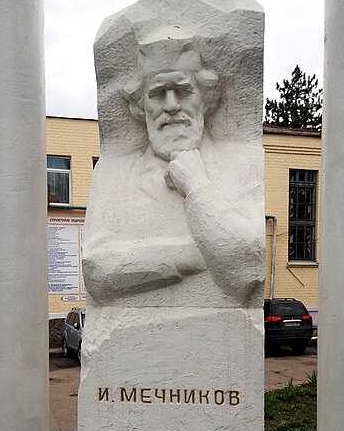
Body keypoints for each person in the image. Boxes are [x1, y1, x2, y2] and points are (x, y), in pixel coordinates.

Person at [82, 29, 265, 307]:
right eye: (157, 94)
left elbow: (247, 272)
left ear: (205, 99)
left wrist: (196, 185)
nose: (171, 106)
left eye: (183, 91)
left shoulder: (242, 161)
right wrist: (197, 255)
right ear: (140, 106)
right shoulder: (112, 173)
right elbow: (97, 273)